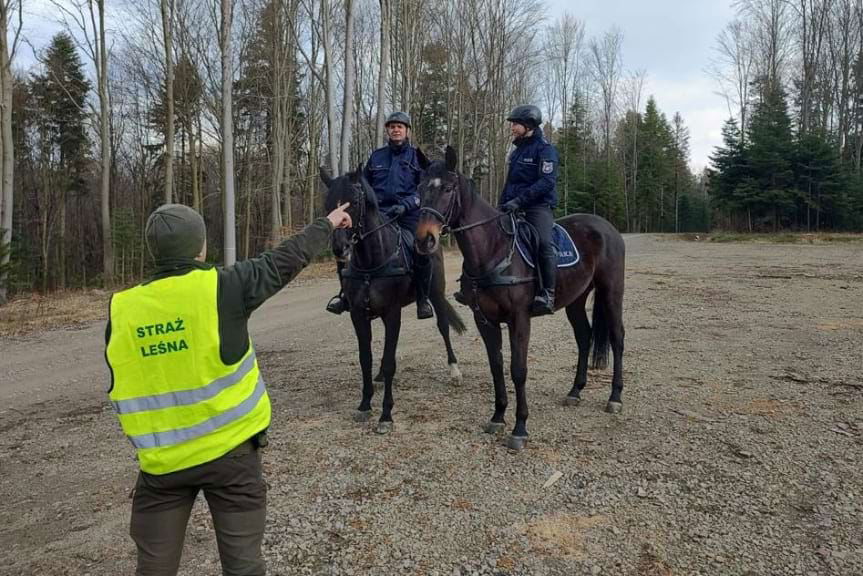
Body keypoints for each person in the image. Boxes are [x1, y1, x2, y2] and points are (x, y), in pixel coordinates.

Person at [105, 201, 351, 576]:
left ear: (153, 251)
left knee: (153, 569)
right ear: (200, 248)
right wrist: (327, 224)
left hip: (161, 468)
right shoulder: (225, 286)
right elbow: (285, 259)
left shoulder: (121, 309)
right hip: (232, 459)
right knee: (244, 567)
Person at [325, 111, 434, 320]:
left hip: (407, 215)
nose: (395, 130)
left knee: (421, 249)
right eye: (392, 126)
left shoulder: (416, 157)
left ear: (407, 131)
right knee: (346, 243)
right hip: (379, 214)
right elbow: (363, 186)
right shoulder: (377, 157)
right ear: (387, 131)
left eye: (400, 126)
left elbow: (424, 190)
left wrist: (407, 204)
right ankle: (345, 295)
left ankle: (422, 298)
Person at [456, 104, 559, 316]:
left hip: (537, 208)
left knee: (543, 243)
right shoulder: (516, 152)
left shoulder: (545, 150)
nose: (511, 127)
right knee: (482, 238)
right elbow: (510, 183)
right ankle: (469, 286)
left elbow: (547, 182)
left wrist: (520, 201)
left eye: (515, 123)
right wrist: (501, 205)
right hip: (512, 206)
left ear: (528, 125)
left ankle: (547, 292)